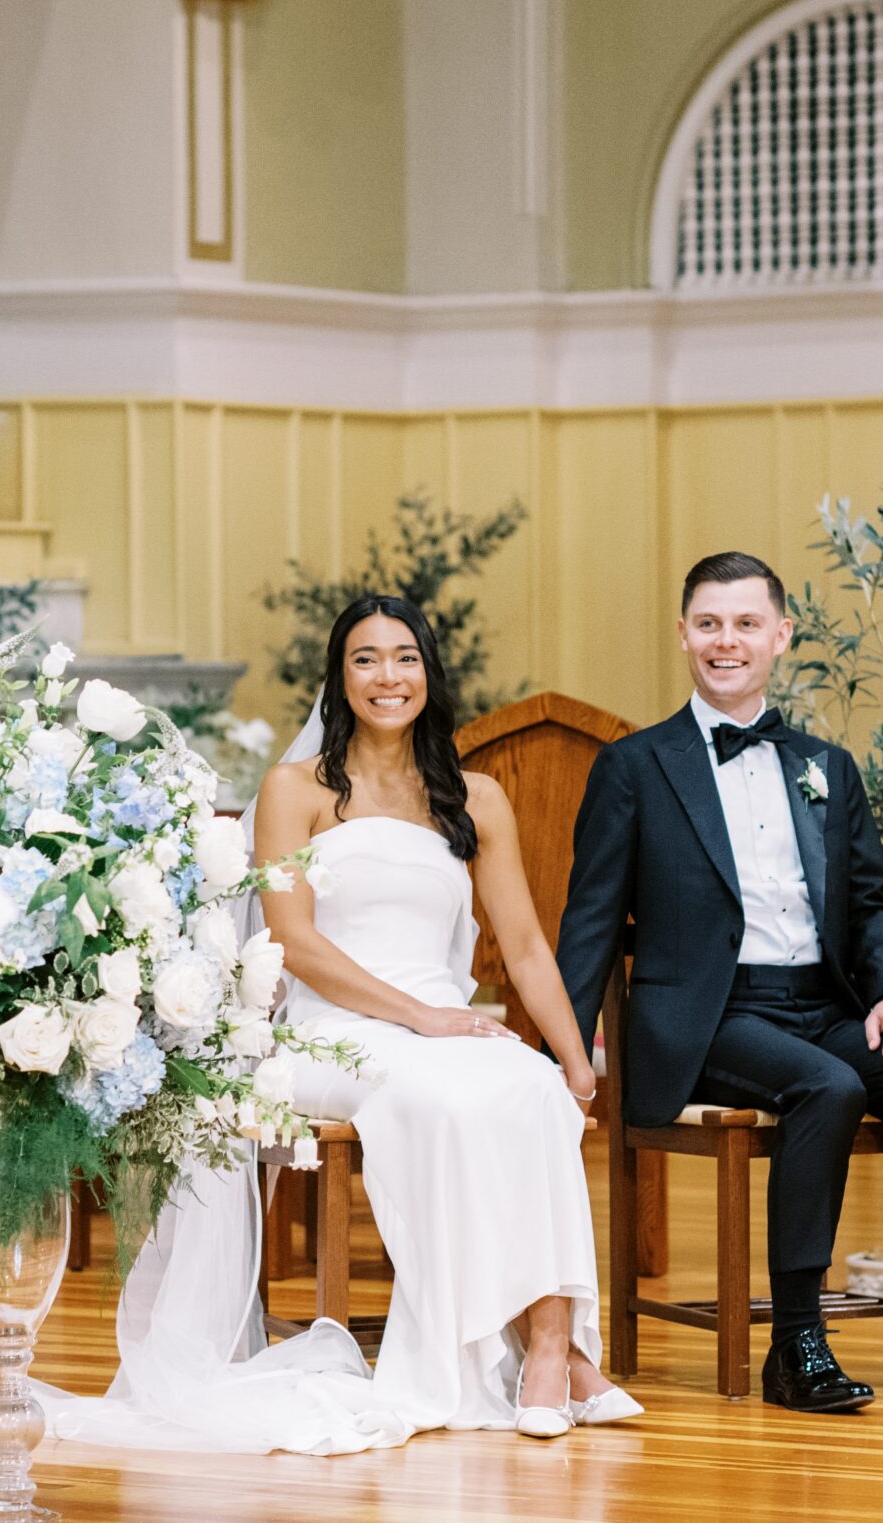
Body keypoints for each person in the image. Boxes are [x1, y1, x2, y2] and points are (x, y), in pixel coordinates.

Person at [555, 552, 883, 1414]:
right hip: (708, 1016)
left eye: (744, 624)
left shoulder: (825, 766)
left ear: (780, 636)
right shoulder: (635, 766)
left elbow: (873, 904)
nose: (724, 641)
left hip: (825, 1003)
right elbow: (588, 923)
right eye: (707, 623)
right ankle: (796, 1342)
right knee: (828, 1086)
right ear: (683, 634)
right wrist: (566, 1053)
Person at [254, 595, 638, 1440]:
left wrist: (575, 1058)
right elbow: (293, 942)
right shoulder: (295, 790)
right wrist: (422, 1017)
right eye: (365, 658)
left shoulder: (475, 798)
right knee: (445, 1096)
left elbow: (529, 947)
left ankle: (549, 1347)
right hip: (331, 1030)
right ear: (338, 674)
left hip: (441, 1023)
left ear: (428, 673)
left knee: (534, 1088)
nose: (386, 676)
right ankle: (537, 1352)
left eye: (404, 658)